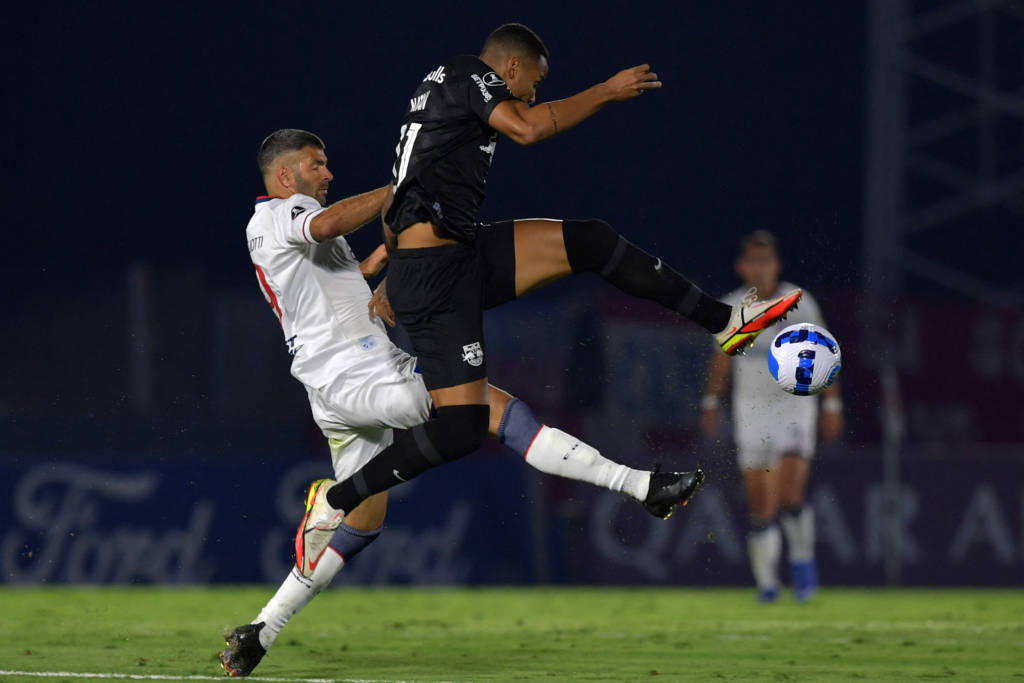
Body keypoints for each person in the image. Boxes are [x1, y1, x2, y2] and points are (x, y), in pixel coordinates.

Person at [296, 23, 803, 575]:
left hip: (455, 254)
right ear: (510, 68)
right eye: (533, 83)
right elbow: (529, 128)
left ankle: (724, 321)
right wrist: (606, 91)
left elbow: (406, 181)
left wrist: (392, 267)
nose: (533, 94)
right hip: (435, 277)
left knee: (591, 241)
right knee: (462, 427)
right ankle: (336, 499)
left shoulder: (441, 90)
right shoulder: (470, 75)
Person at [220, 128, 703, 676]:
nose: (328, 174)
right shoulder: (281, 214)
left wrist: (381, 266)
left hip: (334, 387)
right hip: (359, 374)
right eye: (317, 164)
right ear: (285, 175)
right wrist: (399, 187)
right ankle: (639, 485)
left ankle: (262, 629)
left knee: (365, 523)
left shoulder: (279, 231)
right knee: (489, 409)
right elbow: (329, 223)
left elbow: (333, 282)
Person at [700, 230, 843, 602]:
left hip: (794, 406)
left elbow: (824, 354)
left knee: (792, 492)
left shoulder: (799, 302)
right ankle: (767, 584)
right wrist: (710, 403)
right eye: (754, 262)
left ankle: (802, 563)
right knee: (762, 503)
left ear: (776, 265)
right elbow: (721, 361)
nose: (760, 268)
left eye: (766, 261)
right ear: (742, 267)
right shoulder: (731, 307)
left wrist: (832, 406)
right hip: (751, 411)